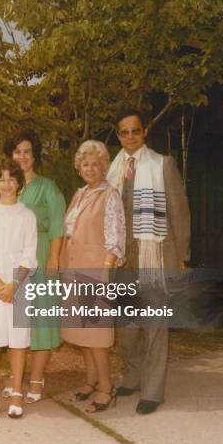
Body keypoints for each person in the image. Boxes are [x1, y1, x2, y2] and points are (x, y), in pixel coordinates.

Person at [107, 110, 190, 415]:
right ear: (118, 135)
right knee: (128, 324)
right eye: (124, 132)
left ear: (144, 133)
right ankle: (132, 376)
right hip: (123, 257)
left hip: (154, 253)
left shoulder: (161, 164)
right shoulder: (112, 170)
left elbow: (180, 212)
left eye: (136, 131)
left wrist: (181, 256)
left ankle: (153, 390)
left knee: (155, 323)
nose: (130, 137)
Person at [59, 140, 125, 413]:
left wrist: (105, 275)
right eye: (85, 164)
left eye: (94, 164)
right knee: (82, 333)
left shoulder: (110, 195)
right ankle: (89, 381)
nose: (89, 168)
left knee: (96, 335)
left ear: (103, 167)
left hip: (95, 273)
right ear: (79, 167)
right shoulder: (79, 194)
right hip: (73, 271)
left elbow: (115, 238)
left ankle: (106, 387)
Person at [3, 130, 66, 403]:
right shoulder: (5, 186)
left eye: (27, 151)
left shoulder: (47, 187)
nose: (22, 156)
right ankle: (14, 377)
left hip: (40, 259)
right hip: (13, 264)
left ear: (34, 154)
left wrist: (53, 259)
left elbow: (57, 226)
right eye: (17, 151)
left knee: (41, 320)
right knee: (15, 321)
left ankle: (37, 378)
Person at [0, 158, 38, 419]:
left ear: (18, 182)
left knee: (18, 340)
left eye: (11, 178)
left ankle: (16, 391)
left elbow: (29, 255)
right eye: (1, 179)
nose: (6, 184)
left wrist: (14, 284)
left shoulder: (27, 215)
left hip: (19, 286)